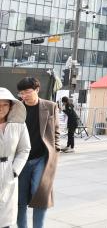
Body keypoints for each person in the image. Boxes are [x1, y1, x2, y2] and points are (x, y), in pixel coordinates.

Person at [16, 77, 60, 228]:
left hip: (41, 158)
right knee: (19, 199)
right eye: (21, 93)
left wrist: (56, 151)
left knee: (40, 194)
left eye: (27, 91)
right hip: (20, 160)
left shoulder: (50, 106)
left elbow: (56, 131)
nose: (24, 95)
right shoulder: (16, 108)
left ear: (37, 89)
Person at [0, 87, 31, 228]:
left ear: (11, 105)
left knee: (6, 214)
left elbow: (24, 149)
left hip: (8, 171)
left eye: (5, 104)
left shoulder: (19, 125)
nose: (1, 108)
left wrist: (14, 170)